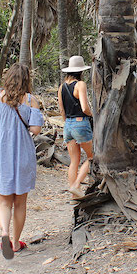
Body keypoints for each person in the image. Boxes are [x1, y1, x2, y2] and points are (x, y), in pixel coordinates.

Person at [0, 64, 44, 260]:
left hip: (2, 153)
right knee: (20, 202)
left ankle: (4, 234)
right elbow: (35, 130)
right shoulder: (30, 100)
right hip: (23, 153)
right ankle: (16, 243)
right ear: (27, 79)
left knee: (3, 201)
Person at [58, 55, 93, 198]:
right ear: (81, 71)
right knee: (92, 157)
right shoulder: (80, 85)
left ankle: (74, 196)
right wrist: (93, 115)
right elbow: (85, 107)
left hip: (68, 125)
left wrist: (68, 123)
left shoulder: (61, 87)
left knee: (74, 161)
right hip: (81, 122)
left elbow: (62, 111)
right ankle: (77, 185)